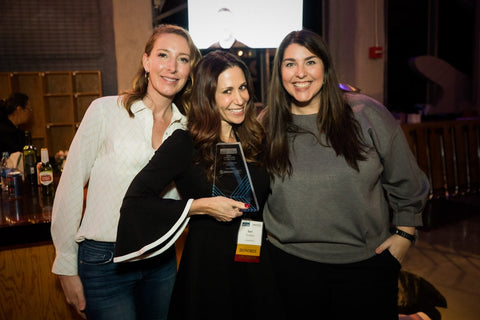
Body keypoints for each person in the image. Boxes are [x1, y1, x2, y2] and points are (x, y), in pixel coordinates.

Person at [261, 29, 430, 320]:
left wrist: (405, 234)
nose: (300, 73)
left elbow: (408, 181)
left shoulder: (365, 114)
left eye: (310, 61)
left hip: (364, 267)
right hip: (288, 267)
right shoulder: (267, 123)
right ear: (280, 73)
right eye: (290, 64)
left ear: (325, 67)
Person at [114, 50, 285, 320]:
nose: (239, 99)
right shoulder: (185, 143)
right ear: (207, 96)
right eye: (227, 91)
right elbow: (136, 200)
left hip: (255, 263)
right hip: (208, 271)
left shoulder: (256, 139)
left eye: (242, 87)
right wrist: (199, 206)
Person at [50, 24, 201, 320]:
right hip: (105, 261)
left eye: (183, 59)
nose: (172, 67)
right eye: (163, 55)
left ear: (190, 69)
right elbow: (69, 186)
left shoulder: (190, 129)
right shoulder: (106, 111)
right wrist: (66, 265)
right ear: (146, 61)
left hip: (161, 259)